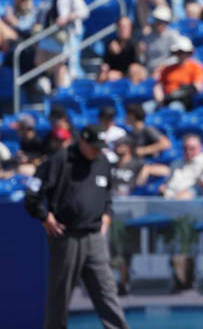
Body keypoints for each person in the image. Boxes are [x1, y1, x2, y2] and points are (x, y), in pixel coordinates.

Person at [24, 125, 129, 329]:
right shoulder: (60, 160)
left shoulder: (103, 161)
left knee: (106, 290)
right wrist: (45, 217)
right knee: (60, 293)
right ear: (82, 141)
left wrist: (107, 215)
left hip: (94, 235)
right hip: (66, 234)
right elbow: (33, 192)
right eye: (93, 146)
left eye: (100, 147)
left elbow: (108, 194)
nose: (96, 151)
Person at [34, 0, 89, 88]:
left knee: (60, 63)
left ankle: (61, 85)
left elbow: (84, 11)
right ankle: (51, 80)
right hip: (52, 32)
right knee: (40, 58)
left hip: (67, 34)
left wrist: (67, 18)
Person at [153, 36, 203, 111]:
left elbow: (198, 87)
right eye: (179, 52)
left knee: (174, 107)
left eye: (183, 52)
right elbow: (159, 85)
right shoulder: (168, 68)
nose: (181, 55)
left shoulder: (196, 67)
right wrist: (160, 96)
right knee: (146, 108)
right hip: (166, 99)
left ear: (188, 53)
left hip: (182, 102)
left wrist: (181, 92)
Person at [158, 134, 203, 199]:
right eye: (185, 148)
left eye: (192, 148)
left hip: (191, 201)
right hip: (169, 198)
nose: (188, 151)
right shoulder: (176, 163)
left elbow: (201, 187)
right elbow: (166, 184)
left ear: (200, 147)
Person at [98, 17, 143, 83]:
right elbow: (105, 65)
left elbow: (137, 67)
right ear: (117, 28)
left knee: (134, 69)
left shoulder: (135, 44)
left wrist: (122, 75)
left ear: (130, 28)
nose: (123, 29)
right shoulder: (111, 44)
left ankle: (133, 92)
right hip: (114, 75)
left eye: (126, 27)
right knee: (103, 74)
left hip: (131, 76)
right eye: (121, 26)